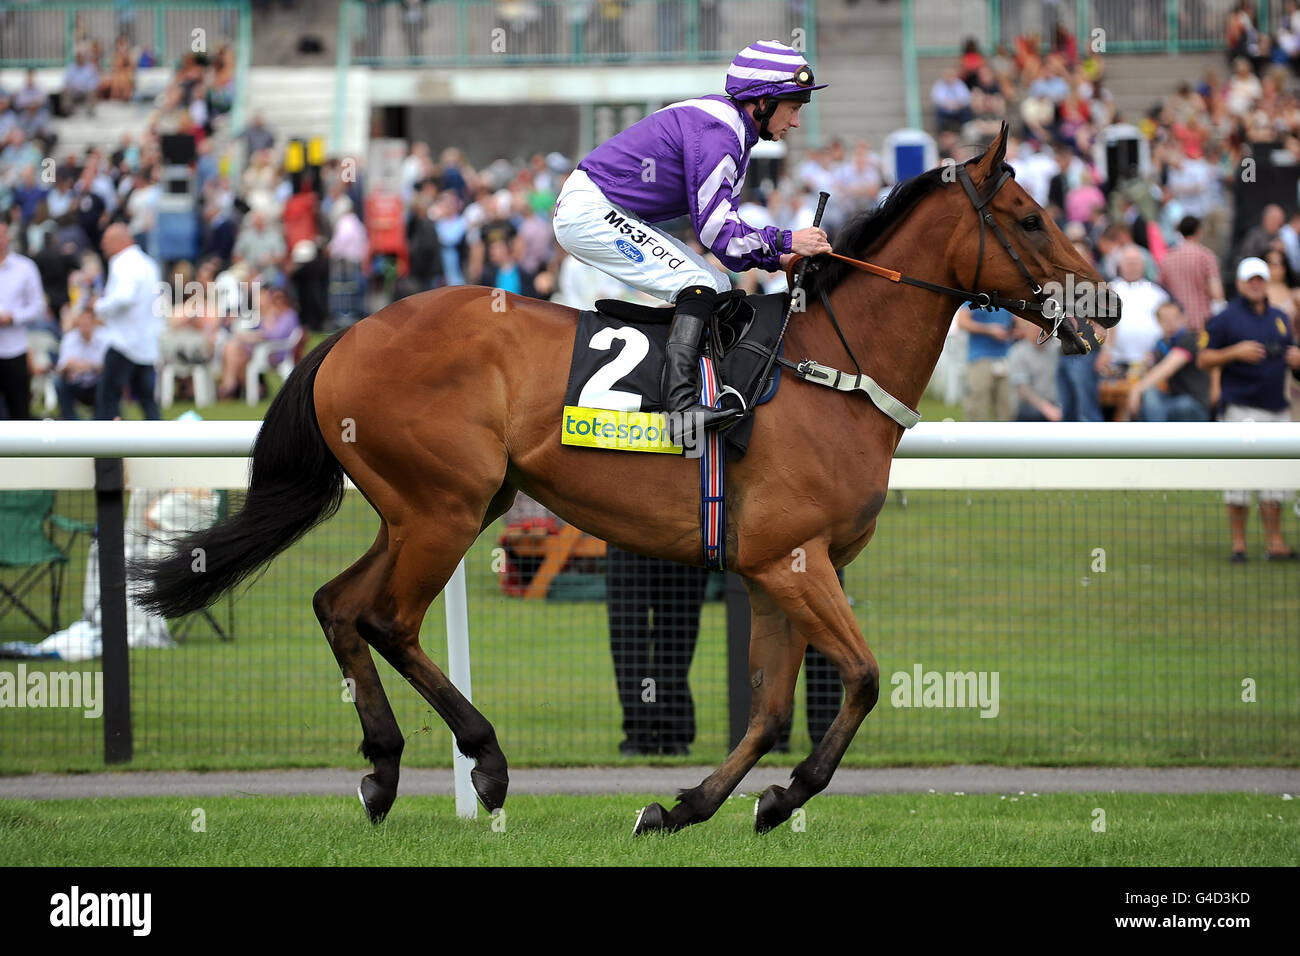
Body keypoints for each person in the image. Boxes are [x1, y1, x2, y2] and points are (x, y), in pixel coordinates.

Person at [552, 40, 832, 438]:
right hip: (591, 210)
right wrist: (788, 241)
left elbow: (730, 243)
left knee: (715, 286)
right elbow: (719, 234)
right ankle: (679, 409)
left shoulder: (734, 129)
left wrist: (780, 259)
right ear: (764, 101)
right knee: (697, 283)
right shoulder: (720, 131)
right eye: (794, 106)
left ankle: (695, 390)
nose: (797, 121)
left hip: (609, 207)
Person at [1198, 257, 1300, 560]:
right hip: (1241, 407)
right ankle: (1239, 544)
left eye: (1260, 279)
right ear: (1241, 283)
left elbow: (1290, 361)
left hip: (1276, 406)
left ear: (1266, 282)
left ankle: (1274, 541)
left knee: (1276, 479)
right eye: (1250, 280)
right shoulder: (1225, 318)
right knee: (1239, 477)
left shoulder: (1280, 318)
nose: (1256, 284)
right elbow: (1203, 359)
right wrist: (1234, 352)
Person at [606, 545, 709, 756]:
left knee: (675, 641)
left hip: (685, 541)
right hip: (629, 539)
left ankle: (669, 731)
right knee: (633, 644)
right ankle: (641, 730)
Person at [93, 223, 162, 421]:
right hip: (146, 344)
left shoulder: (122, 262)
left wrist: (99, 306)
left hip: (123, 342)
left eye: (106, 241)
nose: (102, 245)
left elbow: (124, 297)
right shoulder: (149, 263)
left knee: (107, 399)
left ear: (120, 241)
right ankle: (162, 448)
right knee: (148, 402)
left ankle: (106, 451)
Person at [1125, 301, 1212, 423]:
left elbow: (1166, 369)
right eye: (1165, 319)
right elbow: (1151, 371)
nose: (1170, 323)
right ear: (1158, 322)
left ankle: (1155, 438)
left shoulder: (1188, 339)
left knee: (1148, 395)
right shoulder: (1162, 344)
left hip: (1194, 404)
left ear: (1183, 318)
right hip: (1175, 400)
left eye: (1175, 318)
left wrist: (1137, 389)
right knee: (1147, 399)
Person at [0, 220, 46, 419]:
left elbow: (38, 307)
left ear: (7, 237)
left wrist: (13, 317)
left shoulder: (25, 267)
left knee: (19, 413)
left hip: (15, 349)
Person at [1158, 216, 1224, 332]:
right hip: (1202, 324)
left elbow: (1161, 290)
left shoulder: (1167, 258)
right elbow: (1217, 293)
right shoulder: (1206, 256)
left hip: (1177, 325)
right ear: (1199, 231)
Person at [956, 303, 1015, 421]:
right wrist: (990, 330)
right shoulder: (974, 295)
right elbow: (962, 322)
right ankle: (975, 439)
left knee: (1006, 410)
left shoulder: (1008, 295)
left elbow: (1018, 323)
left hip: (1005, 358)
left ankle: (1004, 439)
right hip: (979, 358)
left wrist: (1011, 332)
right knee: (977, 410)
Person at [54, 304, 108, 420]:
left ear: (94, 322)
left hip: (97, 385)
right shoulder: (70, 338)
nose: (85, 326)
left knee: (108, 382)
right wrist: (69, 366)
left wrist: (89, 366)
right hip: (76, 384)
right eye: (82, 322)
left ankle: (100, 421)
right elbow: (61, 367)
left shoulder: (105, 337)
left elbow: (110, 367)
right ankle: (72, 422)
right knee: (58, 382)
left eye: (87, 322)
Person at [1008, 315, 1063, 421]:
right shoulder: (1017, 352)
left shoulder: (1057, 348)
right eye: (1034, 328)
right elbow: (1023, 389)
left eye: (1042, 328)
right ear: (1025, 331)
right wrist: (1046, 408)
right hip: (1030, 407)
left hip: (1057, 404)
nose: (1039, 332)